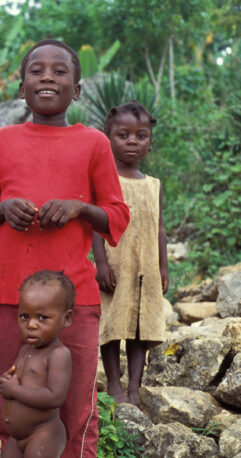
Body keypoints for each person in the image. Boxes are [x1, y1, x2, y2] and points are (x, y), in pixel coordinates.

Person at [0, 39, 130, 458]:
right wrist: (2, 209)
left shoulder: (94, 143)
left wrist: (81, 208)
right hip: (9, 301)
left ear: (77, 88)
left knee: (73, 417)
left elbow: (117, 215)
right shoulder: (4, 141)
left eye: (59, 71)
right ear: (21, 88)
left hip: (73, 304)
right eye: (36, 71)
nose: (47, 77)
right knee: (13, 411)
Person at [93, 101, 168, 407]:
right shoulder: (105, 181)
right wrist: (100, 263)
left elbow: (160, 227)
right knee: (111, 324)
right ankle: (113, 384)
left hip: (145, 268)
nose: (133, 141)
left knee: (141, 327)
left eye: (141, 135)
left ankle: (134, 388)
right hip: (115, 265)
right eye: (123, 135)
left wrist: (163, 268)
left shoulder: (154, 185)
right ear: (108, 139)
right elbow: (96, 225)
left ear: (150, 143)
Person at [0, 270, 74, 458]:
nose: (31, 324)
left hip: (43, 435)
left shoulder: (58, 354)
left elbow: (54, 397)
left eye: (43, 318)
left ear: (66, 319)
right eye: (24, 316)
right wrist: (9, 383)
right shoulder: (25, 350)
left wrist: (14, 391)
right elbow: (20, 383)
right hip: (17, 438)